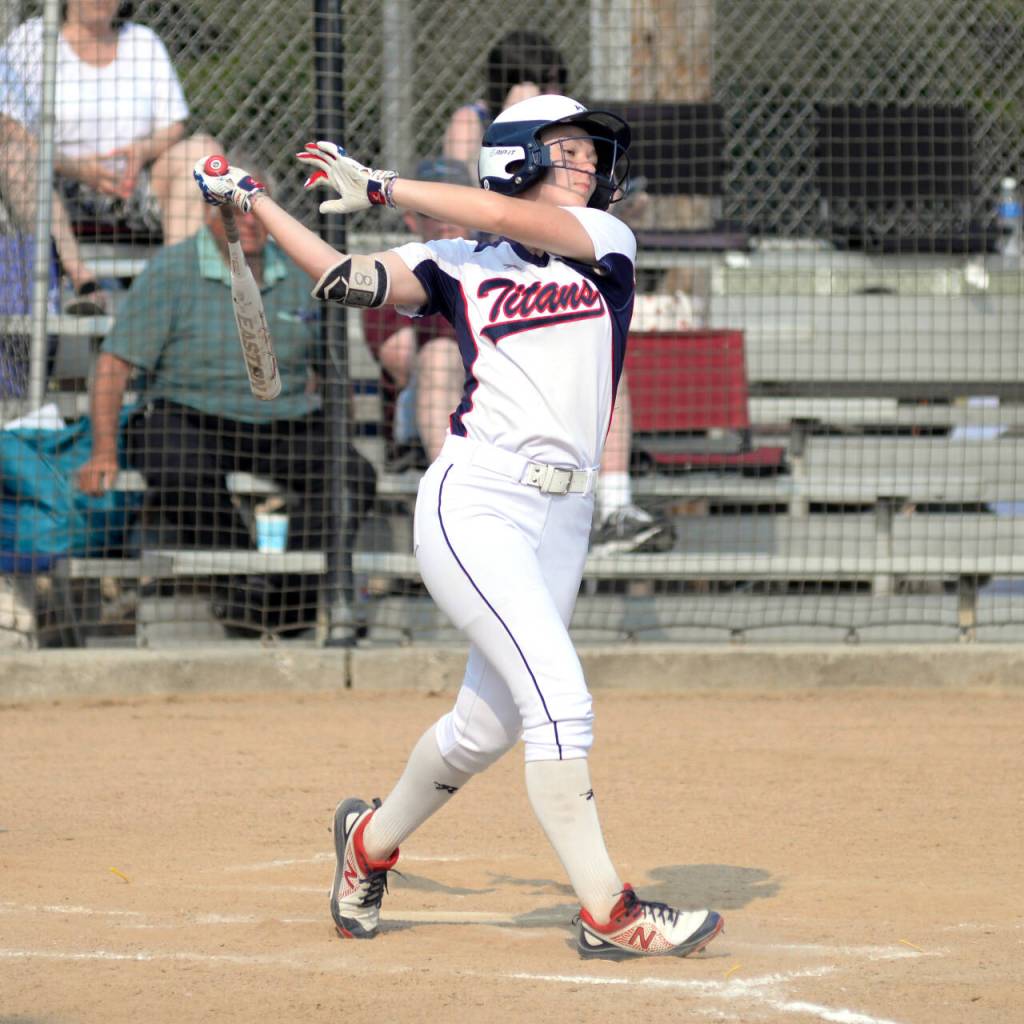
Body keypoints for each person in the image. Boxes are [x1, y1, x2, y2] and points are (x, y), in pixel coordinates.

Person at [193, 93, 723, 958]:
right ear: (515, 156)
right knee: (560, 698)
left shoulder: (605, 247)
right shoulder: (454, 260)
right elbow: (344, 276)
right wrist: (254, 200)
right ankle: (608, 913)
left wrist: (389, 185)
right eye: (566, 149)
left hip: (565, 516)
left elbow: (502, 214)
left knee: (486, 729)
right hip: (476, 499)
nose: (587, 163)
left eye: (591, 151)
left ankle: (366, 846)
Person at [76, 165, 375, 634]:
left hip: (284, 420)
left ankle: (290, 609)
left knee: (351, 472)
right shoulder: (173, 269)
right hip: (190, 415)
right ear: (212, 213)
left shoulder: (299, 271)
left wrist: (344, 428)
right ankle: (243, 586)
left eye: (255, 207)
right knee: (170, 460)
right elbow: (114, 365)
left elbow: (332, 373)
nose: (249, 219)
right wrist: (102, 450)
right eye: (236, 207)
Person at [444, 31, 668, 556]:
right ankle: (466, 506)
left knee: (602, 363)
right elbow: (471, 196)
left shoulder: (571, 138)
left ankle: (615, 504)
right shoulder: (472, 120)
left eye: (550, 84)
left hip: (557, 271)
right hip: (486, 275)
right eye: (531, 84)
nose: (545, 95)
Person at [0, 0, 217, 311]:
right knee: (12, 156)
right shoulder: (31, 40)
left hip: (129, 185)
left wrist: (143, 151)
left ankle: (176, 291)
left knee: (203, 150)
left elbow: (175, 125)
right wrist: (77, 168)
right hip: (56, 185)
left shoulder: (143, 42)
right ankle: (82, 282)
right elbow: (7, 126)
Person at [361, 156, 472, 468]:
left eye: (456, 204)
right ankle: (451, 484)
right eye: (433, 209)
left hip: (493, 400)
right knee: (440, 356)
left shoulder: (496, 262)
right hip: (420, 414)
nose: (446, 218)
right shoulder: (397, 270)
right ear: (412, 220)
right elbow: (400, 360)